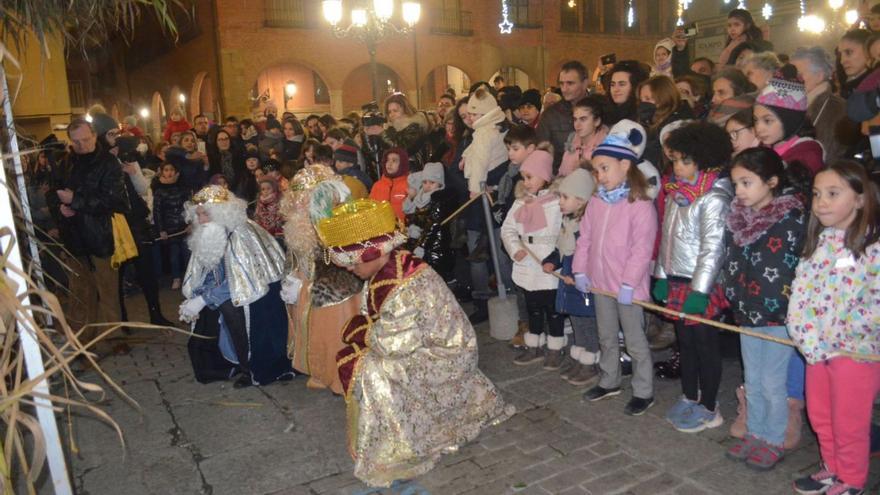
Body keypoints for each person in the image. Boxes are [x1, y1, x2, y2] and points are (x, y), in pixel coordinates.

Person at [315, 198, 514, 487]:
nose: (349, 269)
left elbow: (394, 345)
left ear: (371, 253)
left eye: (352, 261)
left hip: (446, 356)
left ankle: (398, 444)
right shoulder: (387, 269)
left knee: (371, 370)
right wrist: (363, 329)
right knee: (360, 357)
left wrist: (360, 331)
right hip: (422, 347)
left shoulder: (405, 282)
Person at [789, 161, 880, 495]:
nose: (821, 202)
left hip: (855, 353)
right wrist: (806, 337)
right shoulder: (820, 242)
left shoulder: (873, 247)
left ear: (859, 199)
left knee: (850, 421)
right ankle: (833, 469)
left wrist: (842, 337)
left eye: (832, 193)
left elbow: (875, 303)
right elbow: (801, 292)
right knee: (821, 415)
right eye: (816, 194)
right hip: (817, 350)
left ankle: (852, 479)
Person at [721, 148, 808, 470]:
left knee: (773, 382)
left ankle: (773, 438)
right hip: (746, 311)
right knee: (752, 379)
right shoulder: (739, 219)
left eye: (746, 182)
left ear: (771, 181)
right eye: (736, 184)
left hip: (776, 315)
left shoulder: (791, 218)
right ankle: (755, 433)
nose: (739, 191)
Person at [571, 120, 657, 416]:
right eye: (597, 170)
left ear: (625, 165)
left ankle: (644, 390)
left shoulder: (640, 203)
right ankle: (610, 380)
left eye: (605, 168)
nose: (600, 175)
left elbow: (641, 249)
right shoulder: (596, 202)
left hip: (626, 287)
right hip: (599, 282)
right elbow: (585, 238)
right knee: (606, 335)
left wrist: (630, 284)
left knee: (634, 339)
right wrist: (580, 271)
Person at [654, 121, 734, 433]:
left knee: (705, 344)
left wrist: (700, 290)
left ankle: (710, 406)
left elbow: (713, 249)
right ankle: (689, 395)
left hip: (700, 284)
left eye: (685, 161)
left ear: (705, 161)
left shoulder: (713, 199)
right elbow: (666, 237)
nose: (678, 166)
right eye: (675, 160)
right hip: (676, 278)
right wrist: (661, 273)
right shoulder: (677, 193)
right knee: (683, 343)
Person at [179, 185, 293, 388]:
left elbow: (244, 280)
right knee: (215, 309)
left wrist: (204, 299)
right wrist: (196, 296)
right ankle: (229, 364)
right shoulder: (209, 234)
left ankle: (248, 367)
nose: (202, 220)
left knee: (228, 308)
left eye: (206, 214)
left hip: (259, 294)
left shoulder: (242, 233)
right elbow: (206, 273)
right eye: (198, 215)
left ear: (221, 214)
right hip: (231, 290)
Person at [280, 165, 361, 394]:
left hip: (335, 295)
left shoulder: (336, 224)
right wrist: (292, 278)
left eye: (305, 199)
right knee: (314, 331)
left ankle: (340, 377)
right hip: (308, 287)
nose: (298, 204)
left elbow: (339, 269)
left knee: (331, 329)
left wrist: (305, 287)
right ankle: (320, 372)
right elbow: (296, 257)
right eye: (295, 198)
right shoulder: (298, 225)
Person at [47, 118, 129, 334]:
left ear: (94, 135)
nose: (81, 145)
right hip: (73, 236)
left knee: (108, 291)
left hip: (101, 235)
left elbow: (114, 200)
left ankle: (116, 337)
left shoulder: (108, 163)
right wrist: (60, 209)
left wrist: (76, 200)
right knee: (79, 293)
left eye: (85, 139)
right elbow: (53, 193)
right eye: (76, 141)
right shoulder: (66, 162)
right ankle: (82, 342)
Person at [500, 150, 564, 368]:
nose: (525, 183)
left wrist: (556, 257)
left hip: (547, 263)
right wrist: (515, 248)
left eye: (530, 177)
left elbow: (563, 233)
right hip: (527, 262)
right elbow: (508, 229)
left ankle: (555, 347)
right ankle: (534, 344)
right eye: (523, 178)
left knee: (553, 309)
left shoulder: (557, 203)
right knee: (532, 307)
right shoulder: (520, 203)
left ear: (545, 176)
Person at [541, 169, 600, 386]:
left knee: (588, 322)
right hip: (569, 282)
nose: (560, 202)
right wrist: (551, 261)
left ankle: (590, 361)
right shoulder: (568, 222)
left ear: (582, 199)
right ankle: (579, 358)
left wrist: (581, 276)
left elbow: (591, 256)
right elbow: (561, 249)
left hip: (583, 285)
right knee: (576, 321)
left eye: (565, 197)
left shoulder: (587, 226)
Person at [791, 46, 855, 162]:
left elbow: (830, 154)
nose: (791, 80)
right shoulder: (792, 105)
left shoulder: (837, 108)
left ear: (819, 76)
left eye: (798, 75)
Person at [753, 75, 825, 175]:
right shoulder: (764, 147)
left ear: (789, 121)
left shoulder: (807, 154)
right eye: (756, 120)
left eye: (768, 121)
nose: (758, 129)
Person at [403, 162, 455, 281]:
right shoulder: (419, 197)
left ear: (440, 184)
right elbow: (410, 212)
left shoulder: (438, 199)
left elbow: (433, 225)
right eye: (425, 182)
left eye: (432, 183)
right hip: (419, 241)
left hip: (435, 244)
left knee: (436, 276)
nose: (428, 186)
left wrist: (422, 245)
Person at [537, 61, 590, 170]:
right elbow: (542, 154)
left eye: (570, 83)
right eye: (561, 83)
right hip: (560, 179)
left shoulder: (600, 110)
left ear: (584, 83)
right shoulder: (550, 115)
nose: (564, 89)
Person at [151, 163, 191, 290]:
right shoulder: (159, 191)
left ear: (176, 172)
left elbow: (189, 207)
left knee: (187, 254)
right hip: (169, 229)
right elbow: (157, 212)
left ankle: (190, 278)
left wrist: (190, 223)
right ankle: (176, 278)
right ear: (162, 172)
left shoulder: (183, 188)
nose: (169, 173)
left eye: (172, 170)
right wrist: (161, 230)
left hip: (184, 227)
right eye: (166, 170)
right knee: (174, 256)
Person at [559, 96, 609, 177]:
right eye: (575, 119)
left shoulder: (605, 149)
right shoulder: (571, 147)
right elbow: (561, 176)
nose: (577, 125)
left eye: (583, 119)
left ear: (597, 121)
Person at [369, 148, 410, 221]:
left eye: (394, 161)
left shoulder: (409, 185)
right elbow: (370, 209)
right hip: (381, 228)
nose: (389, 164)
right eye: (387, 160)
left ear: (402, 164)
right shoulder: (377, 186)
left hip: (404, 229)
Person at [605, 61, 650, 127]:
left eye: (622, 84)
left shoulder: (642, 116)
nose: (616, 89)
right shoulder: (606, 113)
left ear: (635, 86)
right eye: (612, 84)